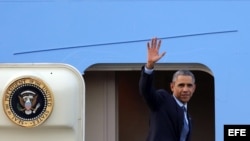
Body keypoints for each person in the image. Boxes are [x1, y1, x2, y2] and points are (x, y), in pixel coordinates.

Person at [139, 37, 196, 141]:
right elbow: (146, 91)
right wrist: (149, 66)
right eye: (181, 85)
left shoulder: (188, 117)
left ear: (194, 88)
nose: (185, 89)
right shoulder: (163, 100)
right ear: (172, 86)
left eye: (189, 85)